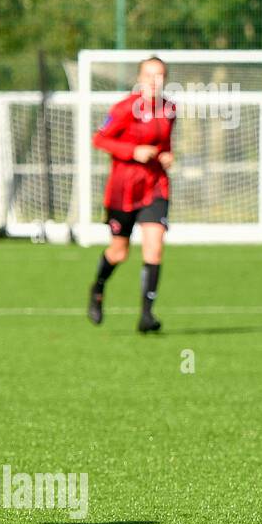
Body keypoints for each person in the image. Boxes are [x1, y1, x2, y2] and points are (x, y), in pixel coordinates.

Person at [88, 56, 175, 333]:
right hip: (123, 191)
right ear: (139, 78)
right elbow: (99, 138)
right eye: (148, 75)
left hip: (155, 187)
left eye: (159, 75)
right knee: (119, 252)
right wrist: (132, 152)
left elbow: (165, 143)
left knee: (155, 245)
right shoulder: (125, 109)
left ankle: (147, 316)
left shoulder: (170, 109)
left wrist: (167, 155)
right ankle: (98, 288)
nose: (153, 81)